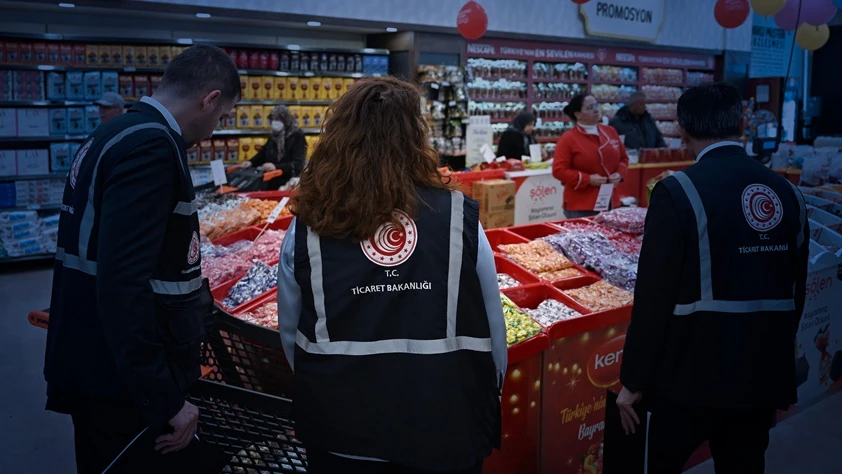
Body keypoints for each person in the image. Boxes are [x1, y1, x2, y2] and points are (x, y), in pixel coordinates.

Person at [277, 76, 506, 474]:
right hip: (444, 424)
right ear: (415, 137)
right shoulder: (456, 216)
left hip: (340, 429)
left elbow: (289, 331)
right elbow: (493, 324)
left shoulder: (307, 225)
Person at [44, 44, 241, 474]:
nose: (212, 130)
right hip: (120, 385)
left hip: (94, 364)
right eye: (221, 117)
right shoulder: (152, 147)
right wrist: (165, 398)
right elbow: (122, 285)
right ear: (208, 99)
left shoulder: (112, 134)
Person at [616, 83, 809, 474]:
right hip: (760, 373)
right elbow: (796, 290)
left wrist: (632, 380)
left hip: (690, 374)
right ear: (741, 124)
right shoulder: (788, 193)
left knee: (664, 463)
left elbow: (653, 297)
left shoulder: (677, 191)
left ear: (682, 130)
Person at [552, 94, 629, 218]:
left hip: (611, 200)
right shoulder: (568, 138)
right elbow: (558, 170)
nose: (596, 109)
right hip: (581, 204)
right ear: (577, 114)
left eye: (596, 105)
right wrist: (588, 179)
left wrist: (619, 174)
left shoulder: (610, 132)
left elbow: (624, 158)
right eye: (589, 107)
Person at [240, 104, 307, 189]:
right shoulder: (274, 135)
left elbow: (298, 164)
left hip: (288, 184)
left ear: (285, 120)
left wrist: (276, 167)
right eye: (273, 119)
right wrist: (251, 162)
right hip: (271, 182)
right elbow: (264, 152)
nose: (275, 122)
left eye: (278, 119)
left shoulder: (297, 136)